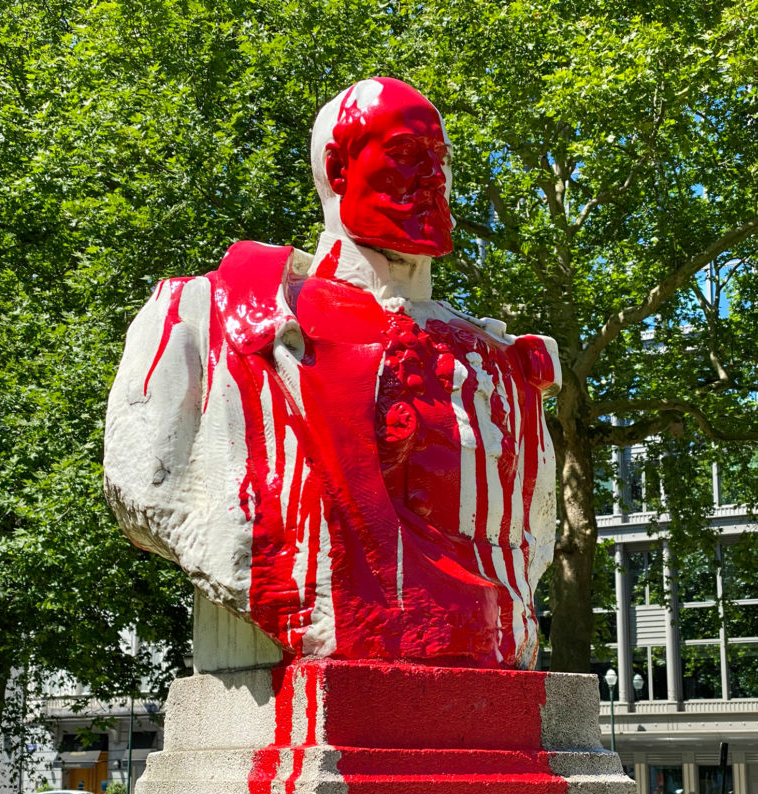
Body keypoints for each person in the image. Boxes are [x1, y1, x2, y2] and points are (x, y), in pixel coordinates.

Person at [104, 78, 560, 667]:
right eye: (404, 155)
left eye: (440, 159)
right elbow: (150, 482)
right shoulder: (209, 315)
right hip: (311, 656)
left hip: (485, 658)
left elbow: (535, 527)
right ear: (337, 168)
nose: (433, 178)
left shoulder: (501, 362)